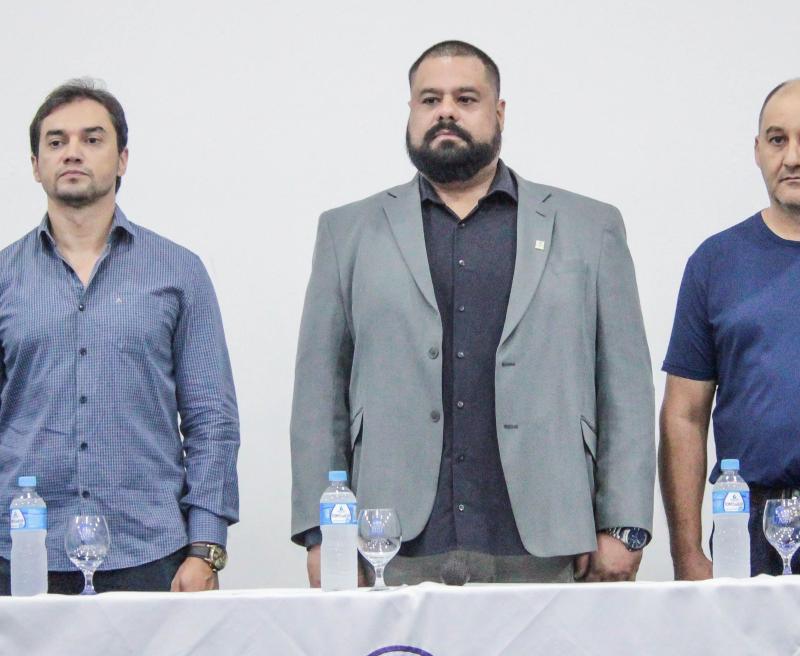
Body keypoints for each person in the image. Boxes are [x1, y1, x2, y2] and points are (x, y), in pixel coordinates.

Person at [291, 41, 654, 585]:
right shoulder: (347, 233)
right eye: (429, 99)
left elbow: (625, 388)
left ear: (499, 112)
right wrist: (323, 534)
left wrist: (623, 526)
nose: (446, 112)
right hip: (388, 543)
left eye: (465, 98)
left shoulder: (589, 228)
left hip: (548, 541)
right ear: (410, 111)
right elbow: (320, 396)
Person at [0, 79, 239, 593]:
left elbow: (211, 420)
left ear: (122, 158)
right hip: (21, 556)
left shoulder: (178, 272)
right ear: (36, 164)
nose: (73, 153)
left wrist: (206, 547)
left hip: (151, 553)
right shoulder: (4, 278)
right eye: (57, 141)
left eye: (92, 139)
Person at [660, 79, 800, 579]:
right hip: (748, 525)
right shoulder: (716, 262)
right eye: (778, 139)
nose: (792, 158)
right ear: (758, 151)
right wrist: (687, 552)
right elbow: (684, 415)